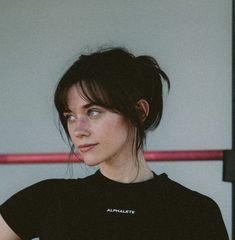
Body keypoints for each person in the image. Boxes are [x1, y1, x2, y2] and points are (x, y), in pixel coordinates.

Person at [0, 47, 228, 240]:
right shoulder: (48, 200)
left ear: (139, 112)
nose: (77, 130)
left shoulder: (195, 212)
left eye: (93, 112)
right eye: (70, 116)